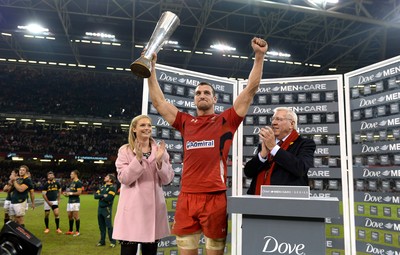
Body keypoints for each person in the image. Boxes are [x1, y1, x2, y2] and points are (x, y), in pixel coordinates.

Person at [146, 37, 268, 255]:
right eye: (198, 93)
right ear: (194, 100)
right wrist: (151, 68)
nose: (202, 96)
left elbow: (251, 89)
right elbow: (159, 102)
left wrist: (259, 57)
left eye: (206, 93)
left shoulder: (226, 120)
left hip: (215, 198)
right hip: (187, 196)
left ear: (215, 99)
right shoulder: (185, 122)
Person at [113, 115, 174, 255]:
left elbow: (168, 179)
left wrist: (159, 162)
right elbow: (124, 178)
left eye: (149, 125)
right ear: (134, 129)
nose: (147, 128)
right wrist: (138, 160)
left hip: (153, 213)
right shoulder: (125, 151)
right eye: (142, 125)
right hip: (132, 212)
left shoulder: (160, 151)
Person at [244, 107, 316, 195]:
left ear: (291, 124)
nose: (273, 123)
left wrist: (274, 148)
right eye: (273, 119)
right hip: (258, 201)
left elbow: (300, 169)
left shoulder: (304, 144)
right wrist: (262, 155)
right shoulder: (266, 144)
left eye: (279, 119)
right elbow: (248, 172)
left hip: (287, 201)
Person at [94, 174, 117, 248]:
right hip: (100, 208)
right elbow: (95, 196)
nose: (105, 177)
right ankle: (102, 241)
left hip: (106, 209)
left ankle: (113, 241)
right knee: (101, 226)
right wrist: (103, 195)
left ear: (110, 180)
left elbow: (109, 198)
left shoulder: (112, 188)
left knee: (109, 226)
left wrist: (101, 196)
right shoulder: (102, 187)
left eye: (107, 177)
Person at [63, 170, 82, 236]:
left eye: (71, 174)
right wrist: (67, 194)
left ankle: (77, 231)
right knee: (69, 216)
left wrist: (70, 193)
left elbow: (79, 193)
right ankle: (70, 230)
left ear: (75, 175)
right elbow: (71, 192)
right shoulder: (72, 182)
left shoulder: (78, 182)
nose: (70, 175)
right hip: (70, 201)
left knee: (75, 216)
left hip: (75, 202)